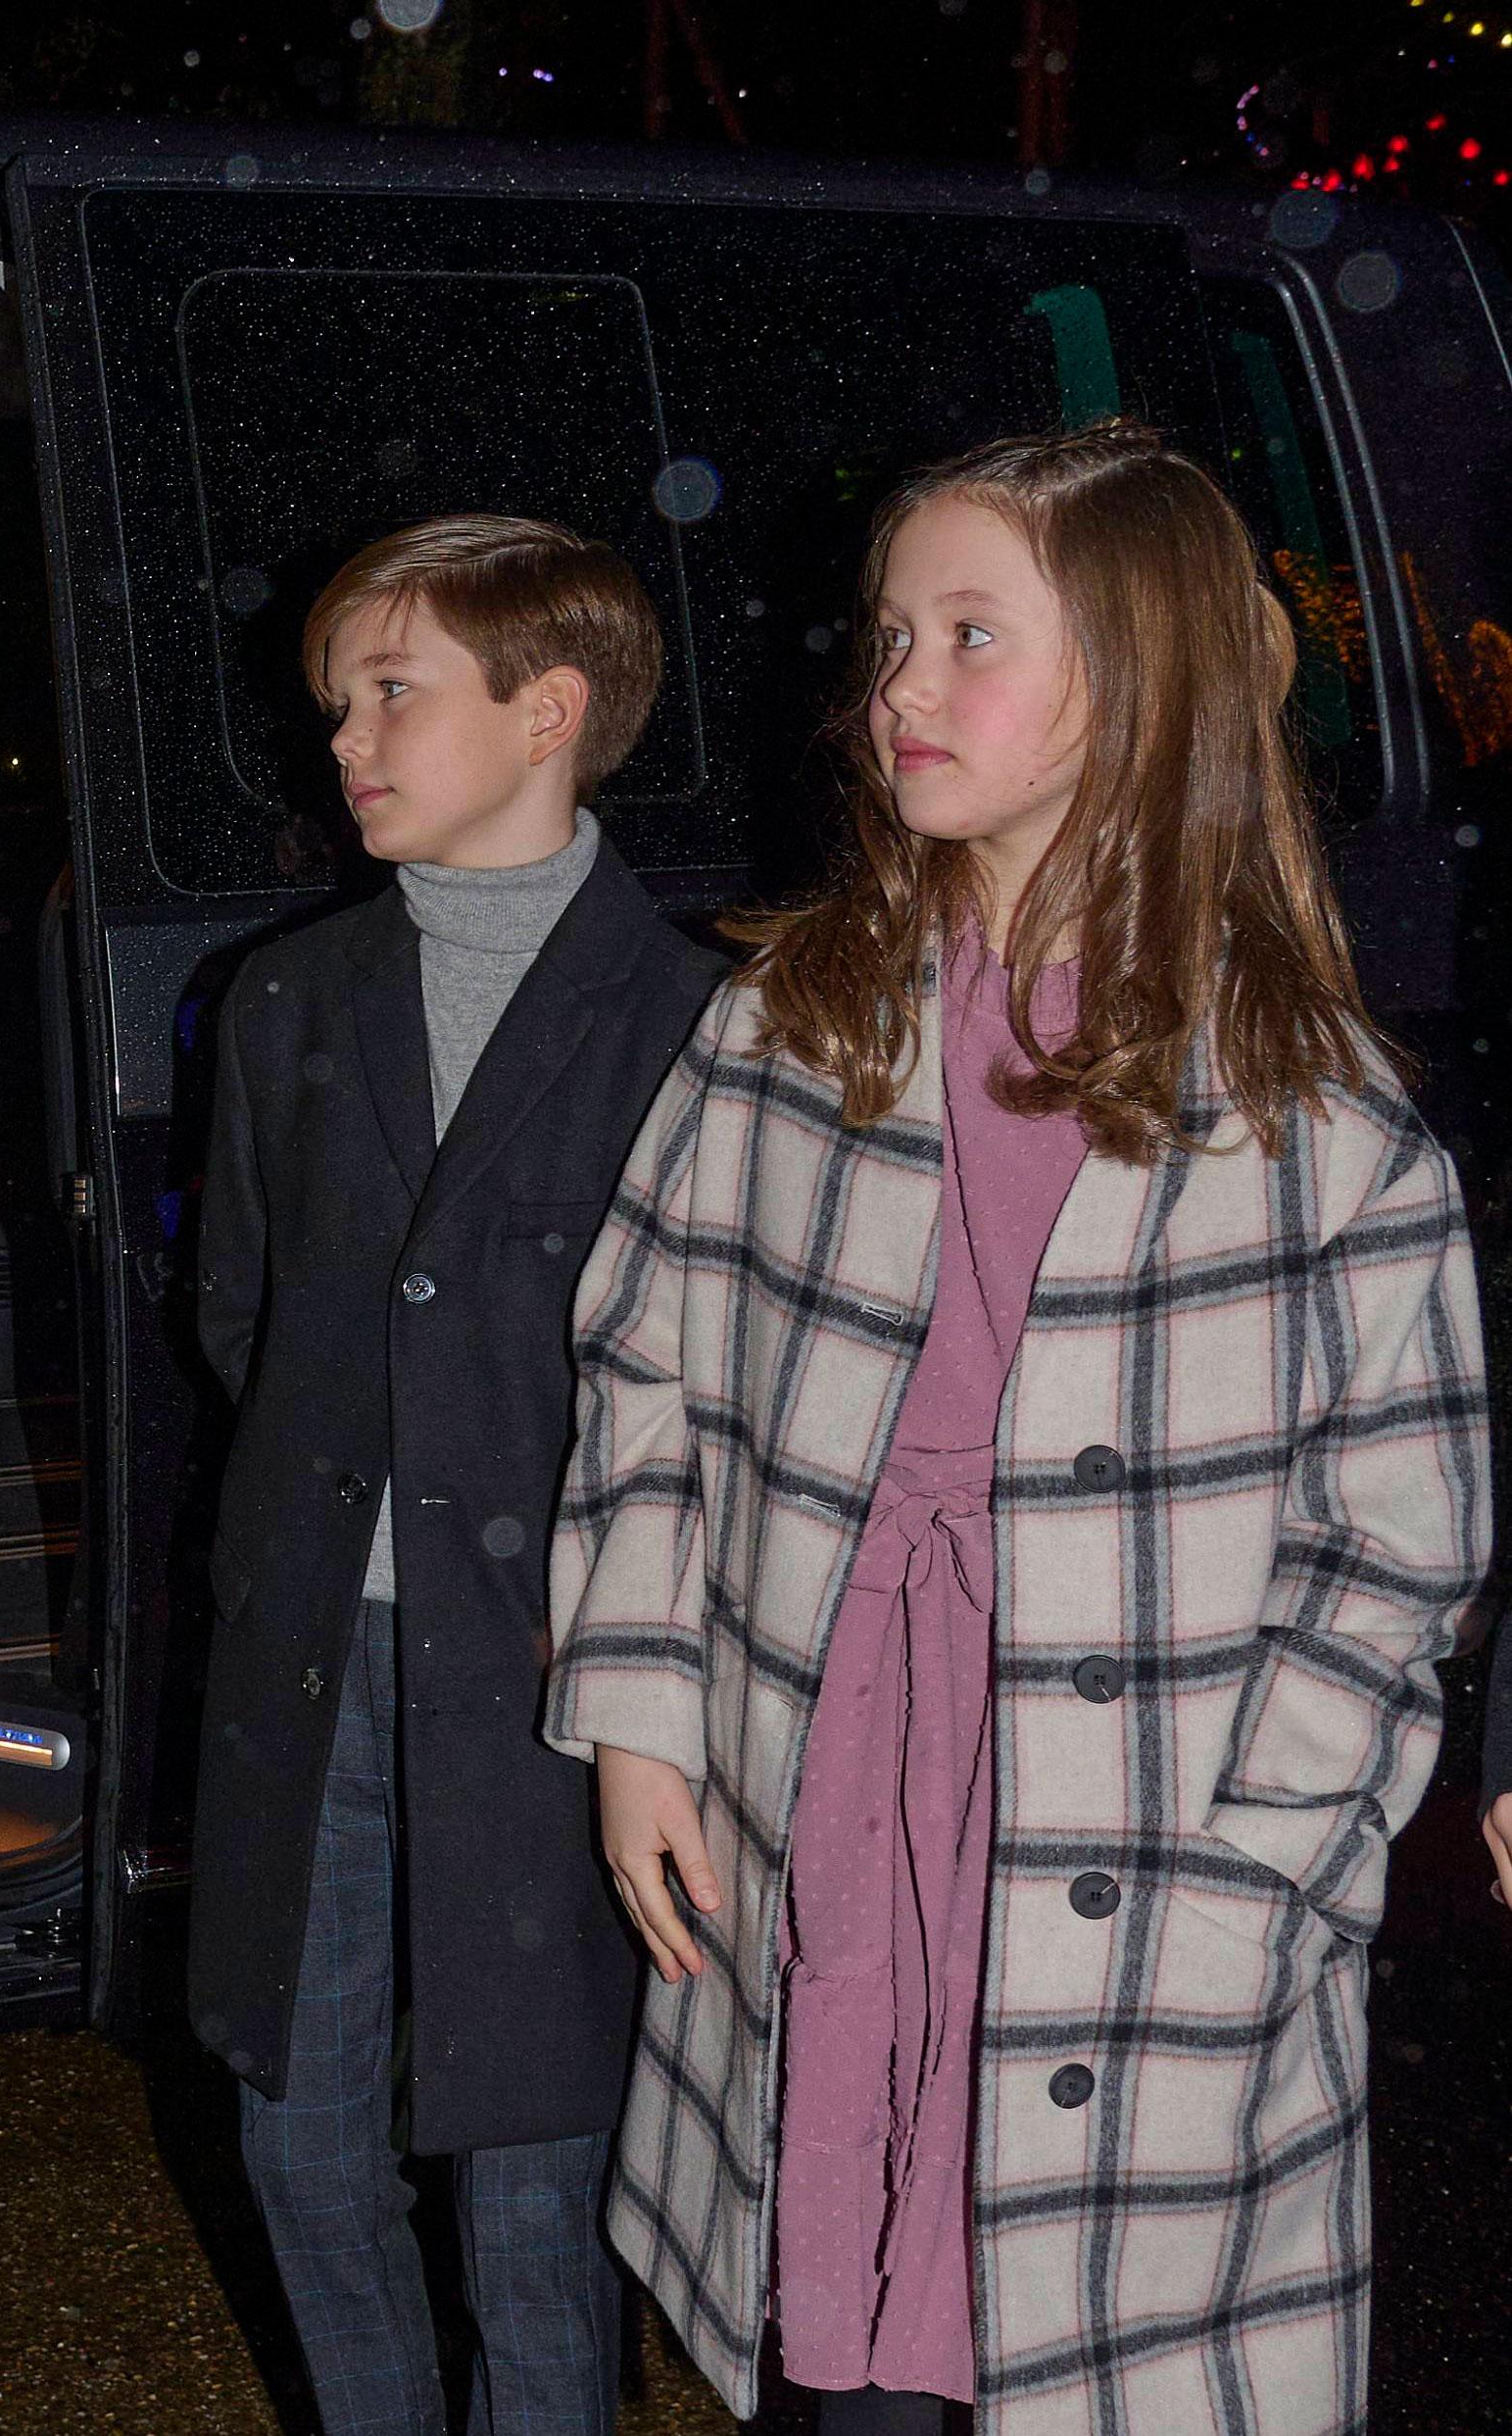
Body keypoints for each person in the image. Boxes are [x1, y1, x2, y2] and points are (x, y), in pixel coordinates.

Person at [548, 423, 1488, 2436]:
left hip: (1135, 1826)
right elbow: (647, 1367)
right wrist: (635, 1703)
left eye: (968, 636)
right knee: (851, 2312)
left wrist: (1264, 1863)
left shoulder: (1309, 1115)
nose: (895, 684)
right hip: (833, 1745)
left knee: (1096, 2340)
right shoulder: (784, 1024)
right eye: (890, 633)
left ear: (1137, 686)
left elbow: (1392, 1538)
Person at [186, 517, 721, 2436]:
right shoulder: (283, 1000)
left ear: (545, 709)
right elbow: (242, 1317)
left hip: (562, 1689)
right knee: (295, 2141)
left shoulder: (695, 1027)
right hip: (313, 1669)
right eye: (334, 699)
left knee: (531, 2205)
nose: (343, 737)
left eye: (390, 690)